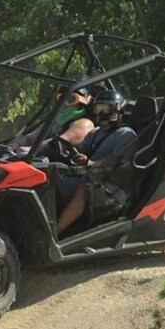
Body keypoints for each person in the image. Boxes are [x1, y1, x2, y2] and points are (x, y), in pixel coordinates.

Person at [56, 89, 136, 234]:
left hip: (113, 188)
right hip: (88, 177)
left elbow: (117, 166)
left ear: (117, 110)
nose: (100, 113)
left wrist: (89, 163)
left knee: (83, 190)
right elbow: (80, 151)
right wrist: (69, 154)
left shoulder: (126, 134)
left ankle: (54, 234)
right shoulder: (95, 132)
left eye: (105, 109)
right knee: (51, 180)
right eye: (98, 109)